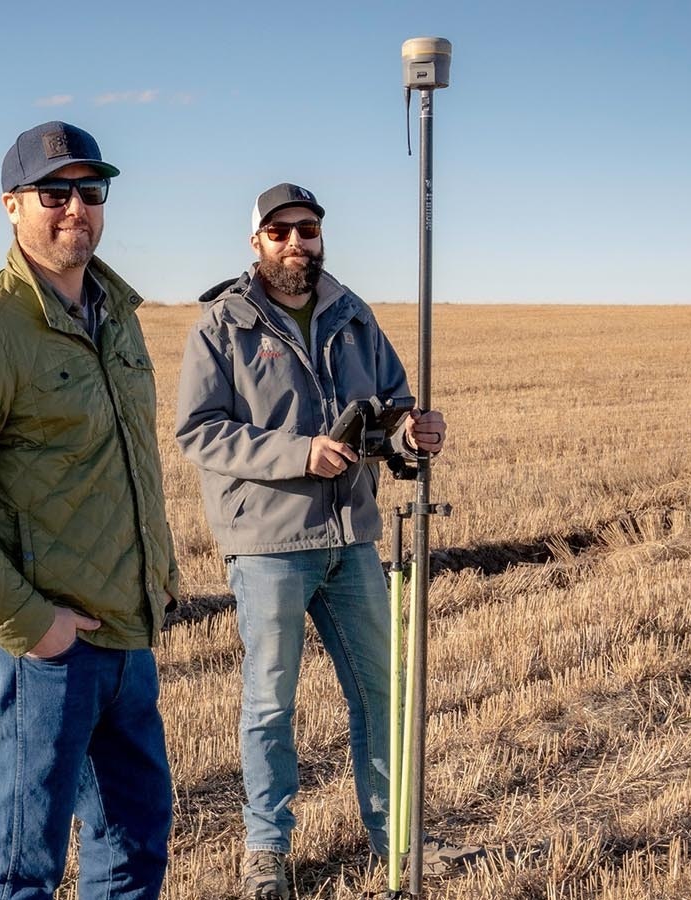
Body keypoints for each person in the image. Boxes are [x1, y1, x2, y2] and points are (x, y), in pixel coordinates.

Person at [0, 121, 180, 900]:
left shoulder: (116, 315)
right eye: (54, 193)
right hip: (40, 653)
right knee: (21, 870)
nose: (74, 208)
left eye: (91, 191)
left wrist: (159, 583)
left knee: (136, 842)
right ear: (12, 206)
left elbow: (128, 468)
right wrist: (29, 623)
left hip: (125, 635)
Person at [175, 183, 485, 899]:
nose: (295, 244)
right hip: (268, 543)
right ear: (256, 242)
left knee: (381, 691)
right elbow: (200, 431)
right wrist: (298, 454)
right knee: (270, 702)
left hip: (352, 538)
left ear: (321, 237)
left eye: (307, 231)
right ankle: (266, 854)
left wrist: (414, 432)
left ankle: (398, 840)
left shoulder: (352, 315)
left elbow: (393, 402)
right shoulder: (223, 325)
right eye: (279, 232)